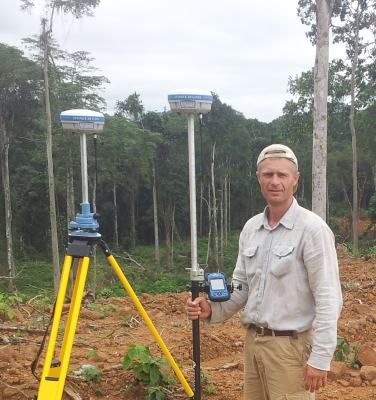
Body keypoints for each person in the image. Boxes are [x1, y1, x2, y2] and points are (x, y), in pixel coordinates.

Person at [187, 144, 342, 400]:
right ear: (259, 178)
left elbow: (328, 297)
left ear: (295, 179)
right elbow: (242, 286)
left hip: (290, 348)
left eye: (282, 175)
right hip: (254, 344)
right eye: (268, 174)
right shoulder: (251, 229)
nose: (275, 181)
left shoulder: (312, 229)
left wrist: (321, 358)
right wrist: (213, 310)